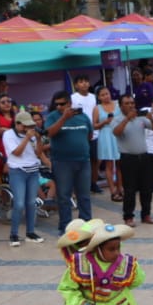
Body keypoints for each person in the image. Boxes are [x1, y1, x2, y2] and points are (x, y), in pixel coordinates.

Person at [44, 91, 94, 232]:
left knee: (84, 195)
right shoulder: (53, 117)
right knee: (64, 196)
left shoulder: (82, 117)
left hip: (83, 161)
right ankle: (65, 227)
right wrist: (63, 119)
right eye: (57, 104)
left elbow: (89, 135)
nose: (59, 107)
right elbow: (49, 133)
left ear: (70, 103)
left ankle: (86, 226)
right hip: (62, 162)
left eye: (62, 104)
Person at [112, 94, 153, 228]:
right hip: (128, 158)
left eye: (132, 103)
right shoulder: (117, 119)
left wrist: (152, 118)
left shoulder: (141, 118)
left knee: (147, 188)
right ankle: (128, 216)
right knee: (130, 189)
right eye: (127, 103)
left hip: (144, 156)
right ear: (121, 106)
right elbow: (117, 132)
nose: (131, 105)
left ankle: (146, 214)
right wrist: (127, 119)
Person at [2, 110, 47, 246]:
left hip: (33, 171)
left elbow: (38, 153)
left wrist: (38, 139)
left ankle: (30, 233)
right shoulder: (8, 135)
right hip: (17, 171)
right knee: (19, 203)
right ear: (17, 124)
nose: (28, 128)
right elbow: (16, 153)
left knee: (31, 203)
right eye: (24, 126)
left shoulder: (33, 134)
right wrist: (27, 138)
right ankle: (14, 235)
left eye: (30, 125)